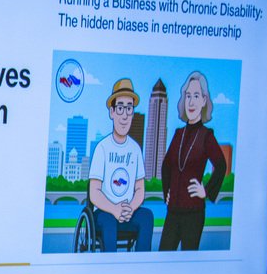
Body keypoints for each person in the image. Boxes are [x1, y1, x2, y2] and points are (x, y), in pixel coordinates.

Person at [160, 70, 229, 251]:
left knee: (188, 259)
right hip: (172, 212)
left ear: (204, 100)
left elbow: (221, 165)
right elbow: (166, 165)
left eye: (196, 96)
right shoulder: (178, 134)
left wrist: (206, 190)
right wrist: (167, 192)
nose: (191, 102)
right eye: (188, 96)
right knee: (163, 256)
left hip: (193, 214)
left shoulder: (206, 136)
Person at [87, 77, 154, 252]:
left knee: (147, 216)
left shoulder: (135, 149)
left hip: (128, 211)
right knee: (109, 221)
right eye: (120, 108)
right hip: (105, 212)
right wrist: (114, 209)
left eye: (129, 108)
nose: (125, 115)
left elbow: (139, 189)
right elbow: (94, 192)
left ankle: (141, 263)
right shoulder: (102, 148)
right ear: (112, 112)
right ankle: (111, 265)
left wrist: (130, 208)